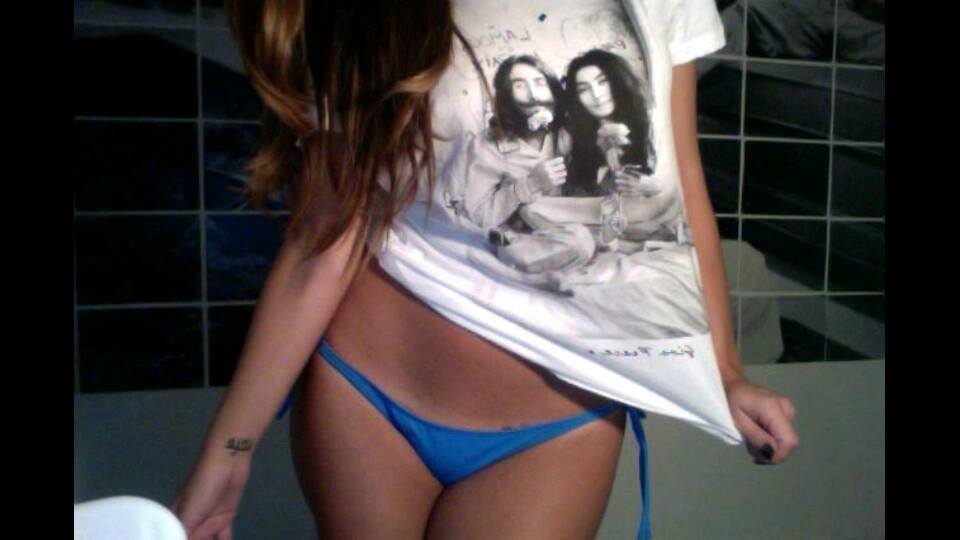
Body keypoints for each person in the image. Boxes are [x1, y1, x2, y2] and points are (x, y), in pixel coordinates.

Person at [172, 1, 799, 539]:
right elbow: (324, 231)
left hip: (558, 425)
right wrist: (230, 449)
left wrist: (724, 370)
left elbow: (681, 181)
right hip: (369, 395)